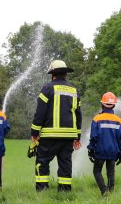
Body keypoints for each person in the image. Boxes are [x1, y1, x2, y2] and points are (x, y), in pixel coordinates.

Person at [31, 60, 82, 192]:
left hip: (49, 135)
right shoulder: (74, 90)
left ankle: (42, 190)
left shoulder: (47, 88)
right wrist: (78, 137)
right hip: (69, 136)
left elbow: (40, 113)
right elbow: (78, 114)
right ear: (65, 73)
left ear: (52, 74)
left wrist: (34, 133)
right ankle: (65, 190)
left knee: (42, 161)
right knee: (65, 163)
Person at [87, 92, 121, 196]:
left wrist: (91, 150)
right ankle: (110, 192)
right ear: (114, 105)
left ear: (102, 104)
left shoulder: (96, 119)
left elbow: (94, 137)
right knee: (111, 173)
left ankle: (104, 191)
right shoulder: (120, 121)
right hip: (113, 152)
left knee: (97, 171)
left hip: (100, 151)